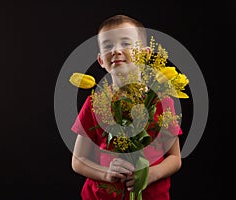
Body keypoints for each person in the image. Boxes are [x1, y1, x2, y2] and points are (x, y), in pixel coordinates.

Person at [71, 14, 183, 200]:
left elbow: (175, 158)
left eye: (126, 43)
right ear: (101, 60)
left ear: (145, 54)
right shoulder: (94, 104)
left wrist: (151, 174)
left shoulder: (161, 102)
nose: (116, 50)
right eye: (108, 46)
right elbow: (78, 160)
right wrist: (106, 173)